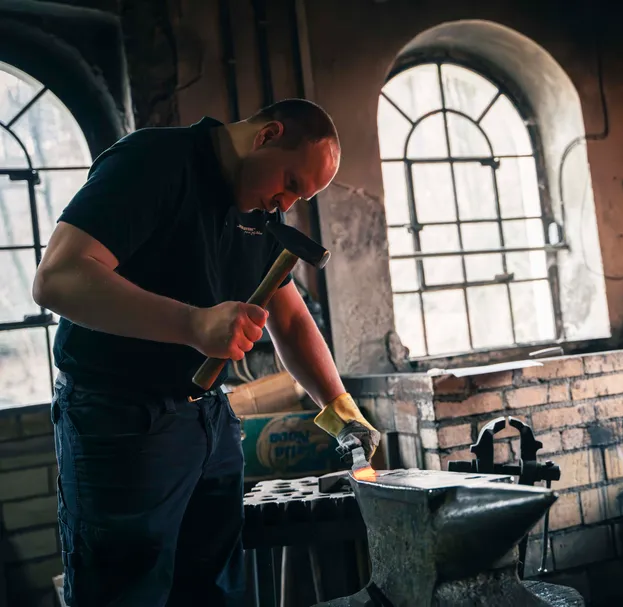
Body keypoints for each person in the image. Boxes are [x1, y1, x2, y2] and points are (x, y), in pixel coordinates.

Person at [32, 99, 380, 607]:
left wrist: (343, 414)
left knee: (214, 593)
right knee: (126, 593)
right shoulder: (153, 163)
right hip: (120, 421)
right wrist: (193, 324)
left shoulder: (259, 211)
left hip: (209, 422)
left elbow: (289, 318)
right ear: (265, 136)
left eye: (296, 196)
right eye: (288, 181)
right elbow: (56, 279)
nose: (283, 202)